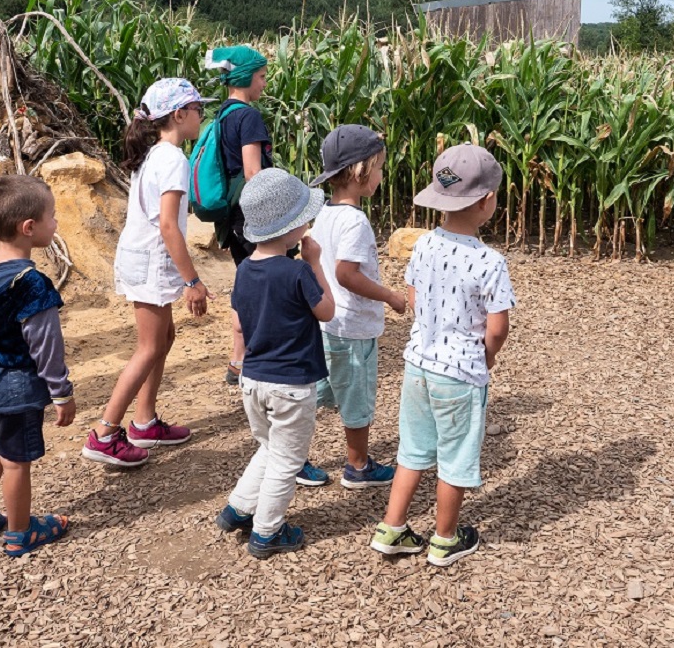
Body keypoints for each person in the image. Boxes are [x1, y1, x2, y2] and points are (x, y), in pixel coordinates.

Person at [370, 144, 515, 567]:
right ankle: (446, 538)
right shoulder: (490, 261)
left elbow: (414, 298)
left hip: (418, 363)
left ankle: (392, 528)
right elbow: (498, 326)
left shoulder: (425, 244)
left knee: (412, 450)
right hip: (460, 372)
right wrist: (486, 357)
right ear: (487, 202)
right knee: (455, 457)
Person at [82, 79, 213, 468]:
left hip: (143, 256)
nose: (201, 115)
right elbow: (169, 227)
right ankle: (105, 432)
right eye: (196, 108)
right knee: (150, 346)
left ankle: (144, 421)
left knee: (163, 337)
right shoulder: (173, 159)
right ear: (178, 115)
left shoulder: (157, 153)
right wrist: (192, 281)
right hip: (153, 260)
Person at [214, 169, 334, 558]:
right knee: (288, 459)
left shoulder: (245, 270)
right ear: (293, 228)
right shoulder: (298, 271)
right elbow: (327, 312)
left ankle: (239, 507)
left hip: (254, 380)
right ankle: (267, 531)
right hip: (291, 385)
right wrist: (315, 264)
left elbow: (239, 322)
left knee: (268, 447)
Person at [0, 174, 73, 557]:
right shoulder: (32, 283)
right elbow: (46, 346)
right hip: (15, 389)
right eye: (51, 216)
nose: (55, 223)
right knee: (16, 461)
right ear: (29, 228)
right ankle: (21, 532)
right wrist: (61, 392)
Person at [309, 125, 406, 489]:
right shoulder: (356, 221)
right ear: (361, 172)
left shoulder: (325, 214)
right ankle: (358, 466)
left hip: (328, 323)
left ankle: (295, 456)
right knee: (357, 398)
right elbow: (347, 274)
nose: (382, 175)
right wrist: (390, 296)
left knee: (320, 390)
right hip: (353, 327)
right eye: (379, 167)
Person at [203, 45, 272, 384]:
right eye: (260, 77)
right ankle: (258, 361)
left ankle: (238, 360)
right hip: (252, 216)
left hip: (231, 216)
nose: (264, 84)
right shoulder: (248, 117)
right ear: (245, 77)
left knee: (245, 281)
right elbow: (252, 173)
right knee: (267, 282)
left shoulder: (222, 114)